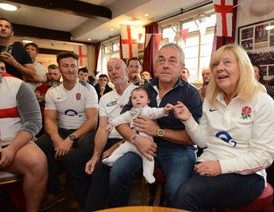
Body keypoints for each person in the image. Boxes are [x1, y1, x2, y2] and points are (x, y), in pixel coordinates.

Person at [78, 43, 201, 211]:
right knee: (117, 173)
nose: (166, 65)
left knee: (176, 190)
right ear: (155, 65)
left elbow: (194, 138)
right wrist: (136, 139)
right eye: (161, 60)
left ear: (182, 67)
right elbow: (122, 120)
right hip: (140, 144)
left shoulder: (191, 93)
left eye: (172, 61)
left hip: (177, 149)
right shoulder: (144, 88)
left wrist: (157, 131)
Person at [171, 44, 274, 211]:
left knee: (188, 193)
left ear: (242, 67)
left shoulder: (262, 102)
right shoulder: (211, 99)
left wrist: (220, 166)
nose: (219, 68)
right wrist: (188, 120)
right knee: (182, 191)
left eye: (227, 62)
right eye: (215, 64)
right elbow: (202, 141)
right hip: (208, 165)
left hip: (247, 174)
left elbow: (264, 156)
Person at [64, 57, 137, 211]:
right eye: (110, 69)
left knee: (102, 167)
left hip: (130, 142)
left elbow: (137, 131)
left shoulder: (138, 93)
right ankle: (87, 204)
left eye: (117, 68)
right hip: (108, 140)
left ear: (126, 70)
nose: (114, 72)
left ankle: (97, 208)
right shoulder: (105, 98)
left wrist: (110, 151)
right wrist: (95, 155)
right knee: (72, 158)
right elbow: (102, 128)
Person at [36, 52, 98, 210]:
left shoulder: (88, 89)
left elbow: (92, 121)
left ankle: (89, 192)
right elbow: (49, 120)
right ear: (59, 69)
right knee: (40, 145)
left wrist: (70, 139)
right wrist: (57, 138)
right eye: (65, 66)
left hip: (84, 131)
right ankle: (57, 190)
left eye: (73, 66)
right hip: (62, 130)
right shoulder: (52, 92)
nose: (70, 69)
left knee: (84, 142)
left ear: (77, 67)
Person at [0, 59, 48, 212]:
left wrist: (12, 149)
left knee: (38, 162)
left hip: (12, 142)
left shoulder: (18, 86)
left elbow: (34, 121)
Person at [102, 87, 173, 183]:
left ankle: (148, 173)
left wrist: (164, 110)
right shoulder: (131, 112)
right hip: (132, 142)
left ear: (148, 100)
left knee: (149, 158)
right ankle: (111, 159)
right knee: (121, 149)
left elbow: (157, 112)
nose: (138, 99)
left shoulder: (148, 111)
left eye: (141, 97)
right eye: (134, 98)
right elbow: (121, 119)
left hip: (146, 144)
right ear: (131, 101)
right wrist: (111, 124)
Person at [35, 64, 61, 137]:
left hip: (59, 119)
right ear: (47, 75)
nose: (52, 76)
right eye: (50, 74)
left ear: (60, 75)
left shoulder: (64, 89)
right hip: (42, 120)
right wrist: (56, 99)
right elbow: (37, 100)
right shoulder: (40, 88)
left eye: (55, 74)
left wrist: (43, 97)